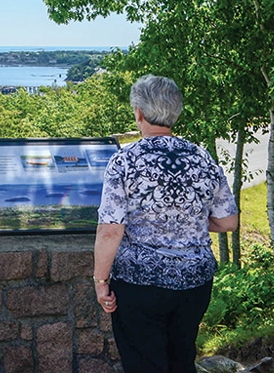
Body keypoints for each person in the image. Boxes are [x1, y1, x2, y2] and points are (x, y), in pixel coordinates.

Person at [94, 74, 239, 373]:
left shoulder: (125, 161)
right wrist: (191, 219)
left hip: (139, 284)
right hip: (194, 283)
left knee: (144, 364)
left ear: (139, 113)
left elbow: (111, 229)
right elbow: (228, 222)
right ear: (175, 112)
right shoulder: (202, 157)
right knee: (181, 360)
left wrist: (101, 282)